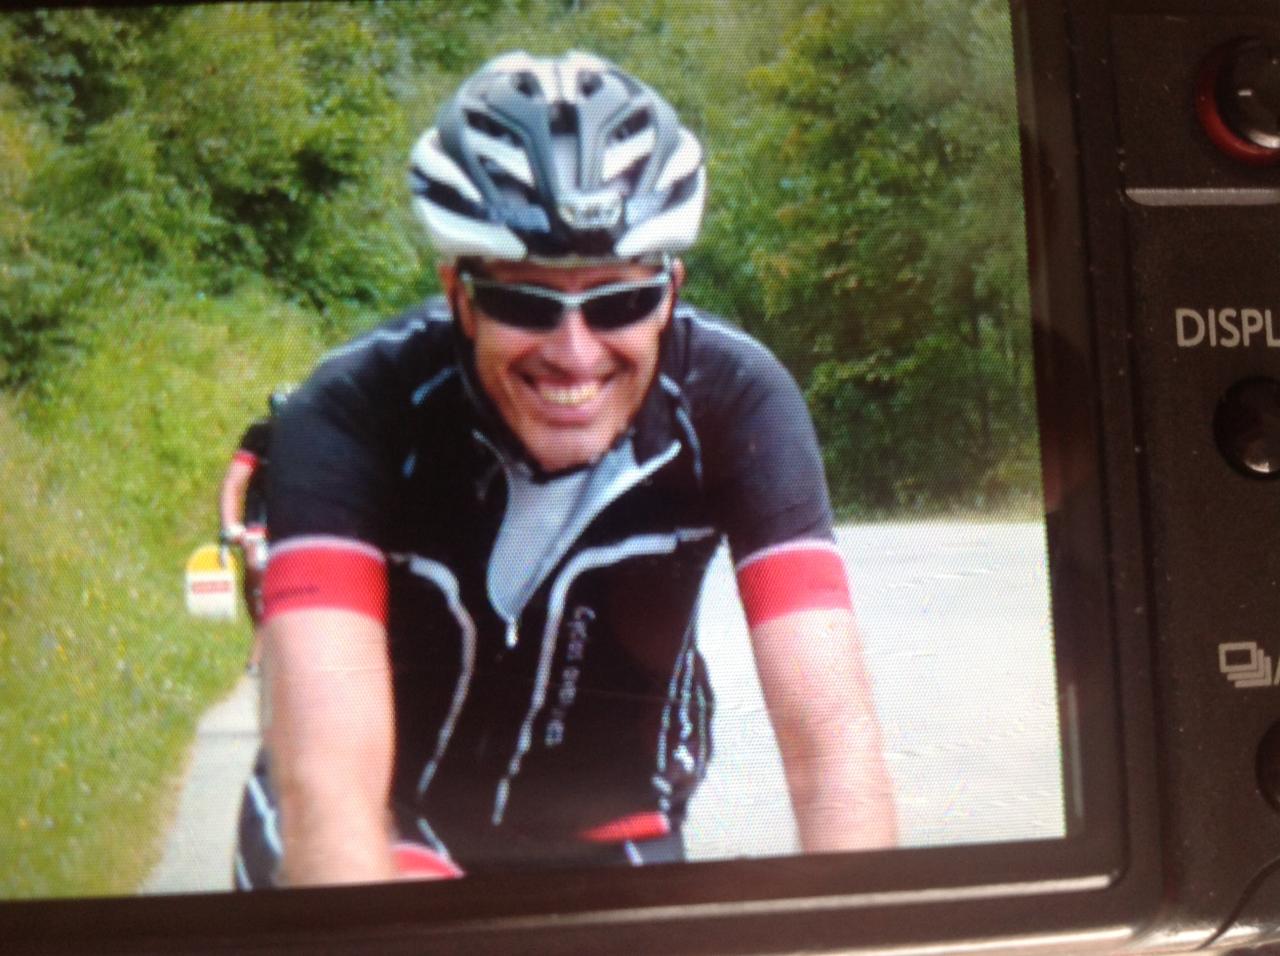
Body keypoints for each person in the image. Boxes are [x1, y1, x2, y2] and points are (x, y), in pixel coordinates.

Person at [234, 50, 896, 888]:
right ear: (459, 295)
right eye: (526, 301)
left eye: (619, 300)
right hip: (383, 821)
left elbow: (832, 749)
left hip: (605, 825)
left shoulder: (738, 401)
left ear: (670, 292)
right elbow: (327, 786)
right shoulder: (351, 411)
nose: (575, 354)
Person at [219, 388, 289, 670]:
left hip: (291, 517)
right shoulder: (260, 433)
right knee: (253, 571)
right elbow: (234, 482)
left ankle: (261, 653)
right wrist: (230, 525)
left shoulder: (312, 435)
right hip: (259, 516)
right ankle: (264, 637)